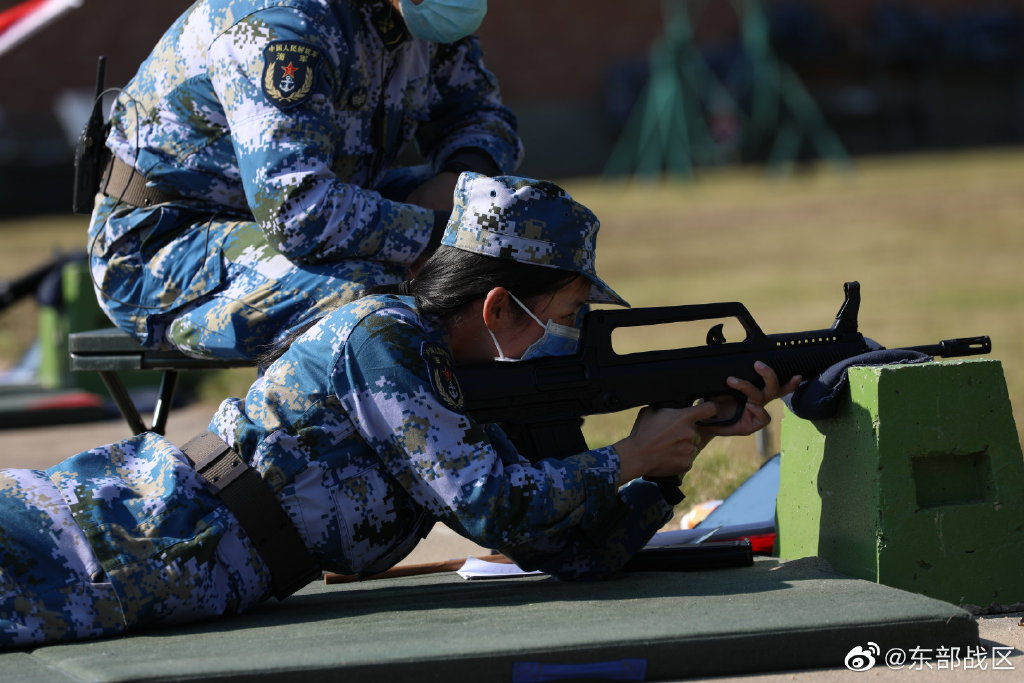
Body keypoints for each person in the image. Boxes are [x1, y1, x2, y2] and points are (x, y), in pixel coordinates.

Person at [2, 174, 798, 648]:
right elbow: (493, 507)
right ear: (496, 306)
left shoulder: (466, 392)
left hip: (184, 569)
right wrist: (627, 456)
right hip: (113, 529)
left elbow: (572, 552)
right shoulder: (382, 336)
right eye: (566, 312)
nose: (572, 336)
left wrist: (676, 451)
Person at [88, 0, 520, 361]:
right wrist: (439, 235)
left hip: (321, 212)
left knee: (523, 222)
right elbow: (298, 212)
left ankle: (516, 440)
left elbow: (480, 115)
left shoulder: (420, 16)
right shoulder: (282, 23)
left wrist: (457, 179)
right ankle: (306, 452)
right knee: (375, 301)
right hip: (163, 248)